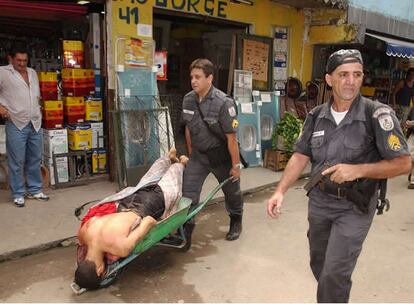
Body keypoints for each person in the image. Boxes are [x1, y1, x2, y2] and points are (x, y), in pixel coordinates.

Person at [267, 49, 412, 303]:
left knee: (334, 273)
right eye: (343, 74)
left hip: (354, 206)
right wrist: (280, 191)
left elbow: (403, 163)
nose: (351, 81)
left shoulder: (376, 114)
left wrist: (358, 170)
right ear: (329, 79)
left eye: (357, 74)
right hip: (320, 202)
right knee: (321, 267)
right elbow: (300, 156)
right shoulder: (316, 116)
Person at [75, 149, 188, 290]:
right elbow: (96, 217)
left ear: (99, 271)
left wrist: (161, 220)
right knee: (146, 181)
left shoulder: (120, 248)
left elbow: (148, 222)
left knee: (170, 189)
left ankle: (181, 163)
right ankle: (168, 158)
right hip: (125, 201)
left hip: (146, 206)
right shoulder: (83, 233)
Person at [181, 58, 243, 245]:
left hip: (219, 156)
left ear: (210, 78)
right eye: (192, 77)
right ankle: (186, 228)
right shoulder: (188, 99)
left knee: (232, 191)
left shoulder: (224, 103)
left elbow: (231, 138)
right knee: (188, 193)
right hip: (198, 157)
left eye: (198, 77)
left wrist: (236, 165)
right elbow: (188, 128)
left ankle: (236, 219)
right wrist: (191, 154)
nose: (193, 81)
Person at [0, 47, 49, 207]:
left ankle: (35, 190)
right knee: (17, 161)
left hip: (34, 122)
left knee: (34, 159)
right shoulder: (3, 72)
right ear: (11, 58)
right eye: (19, 60)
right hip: (16, 122)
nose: (22, 64)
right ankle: (18, 193)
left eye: (25, 60)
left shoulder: (33, 73)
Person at [406, 106, 414, 189]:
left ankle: (413, 181)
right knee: (408, 155)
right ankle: (411, 172)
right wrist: (408, 123)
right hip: (412, 134)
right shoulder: (412, 109)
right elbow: (407, 120)